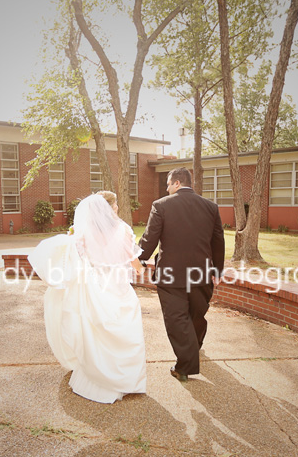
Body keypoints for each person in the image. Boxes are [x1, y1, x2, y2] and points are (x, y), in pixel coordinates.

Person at [28, 193, 146, 403]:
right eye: (116, 203)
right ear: (109, 208)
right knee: (125, 331)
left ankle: (97, 377)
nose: (118, 207)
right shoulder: (124, 230)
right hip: (119, 288)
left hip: (96, 288)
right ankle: (127, 380)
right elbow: (135, 265)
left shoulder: (83, 234)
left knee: (98, 334)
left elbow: (80, 260)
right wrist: (139, 269)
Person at [139, 167, 225, 382]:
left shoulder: (161, 205)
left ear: (177, 183)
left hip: (171, 273)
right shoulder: (211, 207)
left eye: (168, 184)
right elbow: (218, 241)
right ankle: (194, 348)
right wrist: (218, 270)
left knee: (176, 318)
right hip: (201, 273)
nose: (166, 188)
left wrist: (139, 257)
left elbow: (150, 237)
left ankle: (185, 365)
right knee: (197, 314)